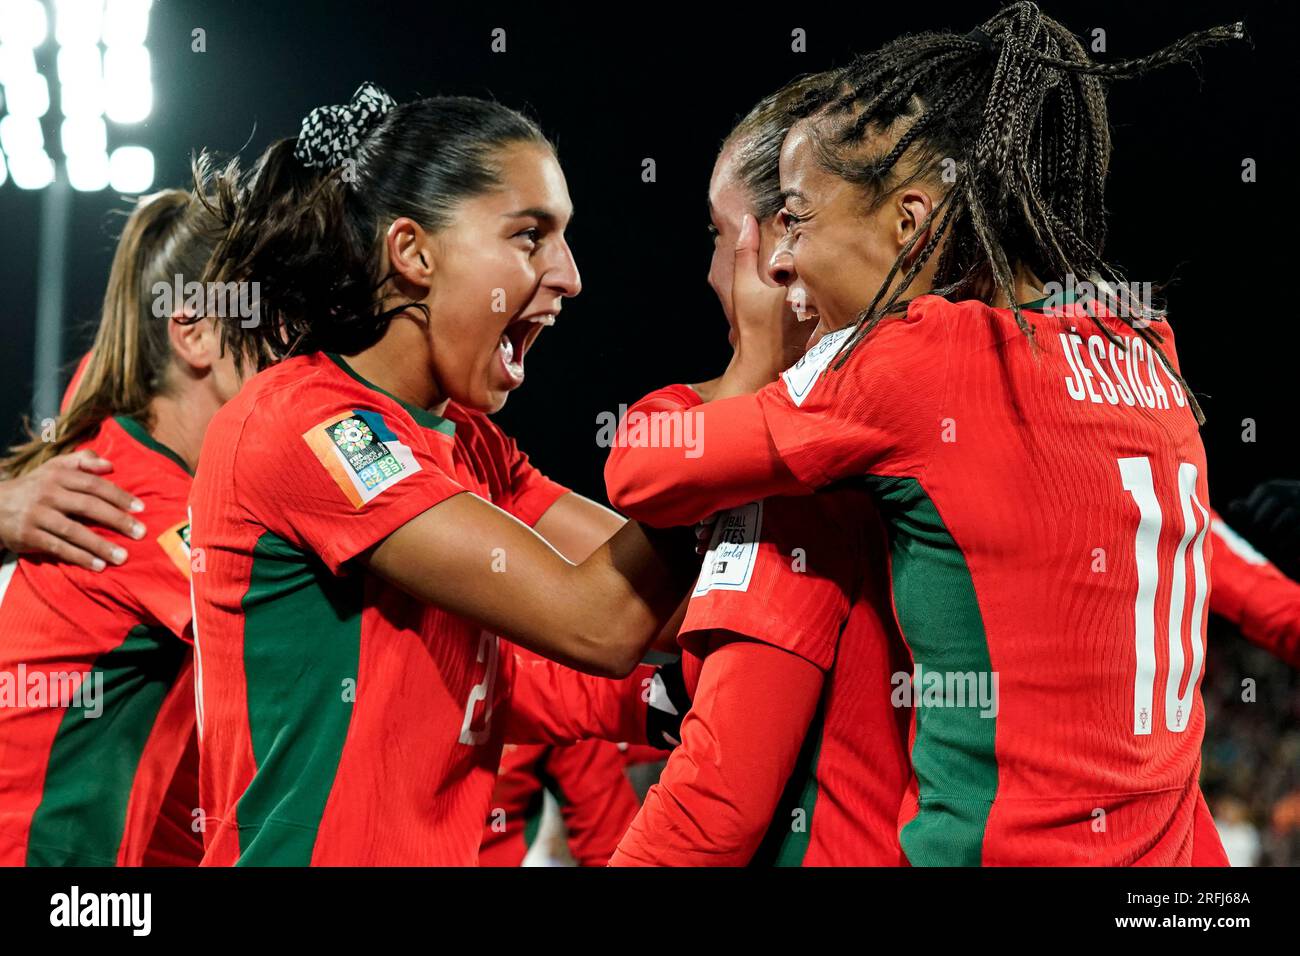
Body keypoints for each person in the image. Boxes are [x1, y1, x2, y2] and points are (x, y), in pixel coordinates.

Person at [605, 6, 1245, 865]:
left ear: (908, 224)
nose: (782, 257)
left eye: (796, 217)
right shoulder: (1148, 348)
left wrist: (755, 362)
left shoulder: (921, 362)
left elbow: (644, 471)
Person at [189, 84, 693, 865]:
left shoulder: (470, 442)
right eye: (531, 236)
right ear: (414, 253)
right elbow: (597, 621)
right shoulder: (310, 423)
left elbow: (664, 607)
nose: (569, 276)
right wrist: (739, 415)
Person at [612, 77, 912, 867]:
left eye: (717, 236)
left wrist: (752, 364)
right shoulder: (950, 387)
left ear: (776, 249)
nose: (714, 270)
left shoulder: (797, 471)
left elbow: (715, 806)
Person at [0, 189, 233, 865]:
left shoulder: (121, 436)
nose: (303, 354)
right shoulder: (137, 501)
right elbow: (317, 649)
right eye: (281, 319)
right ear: (194, 331)